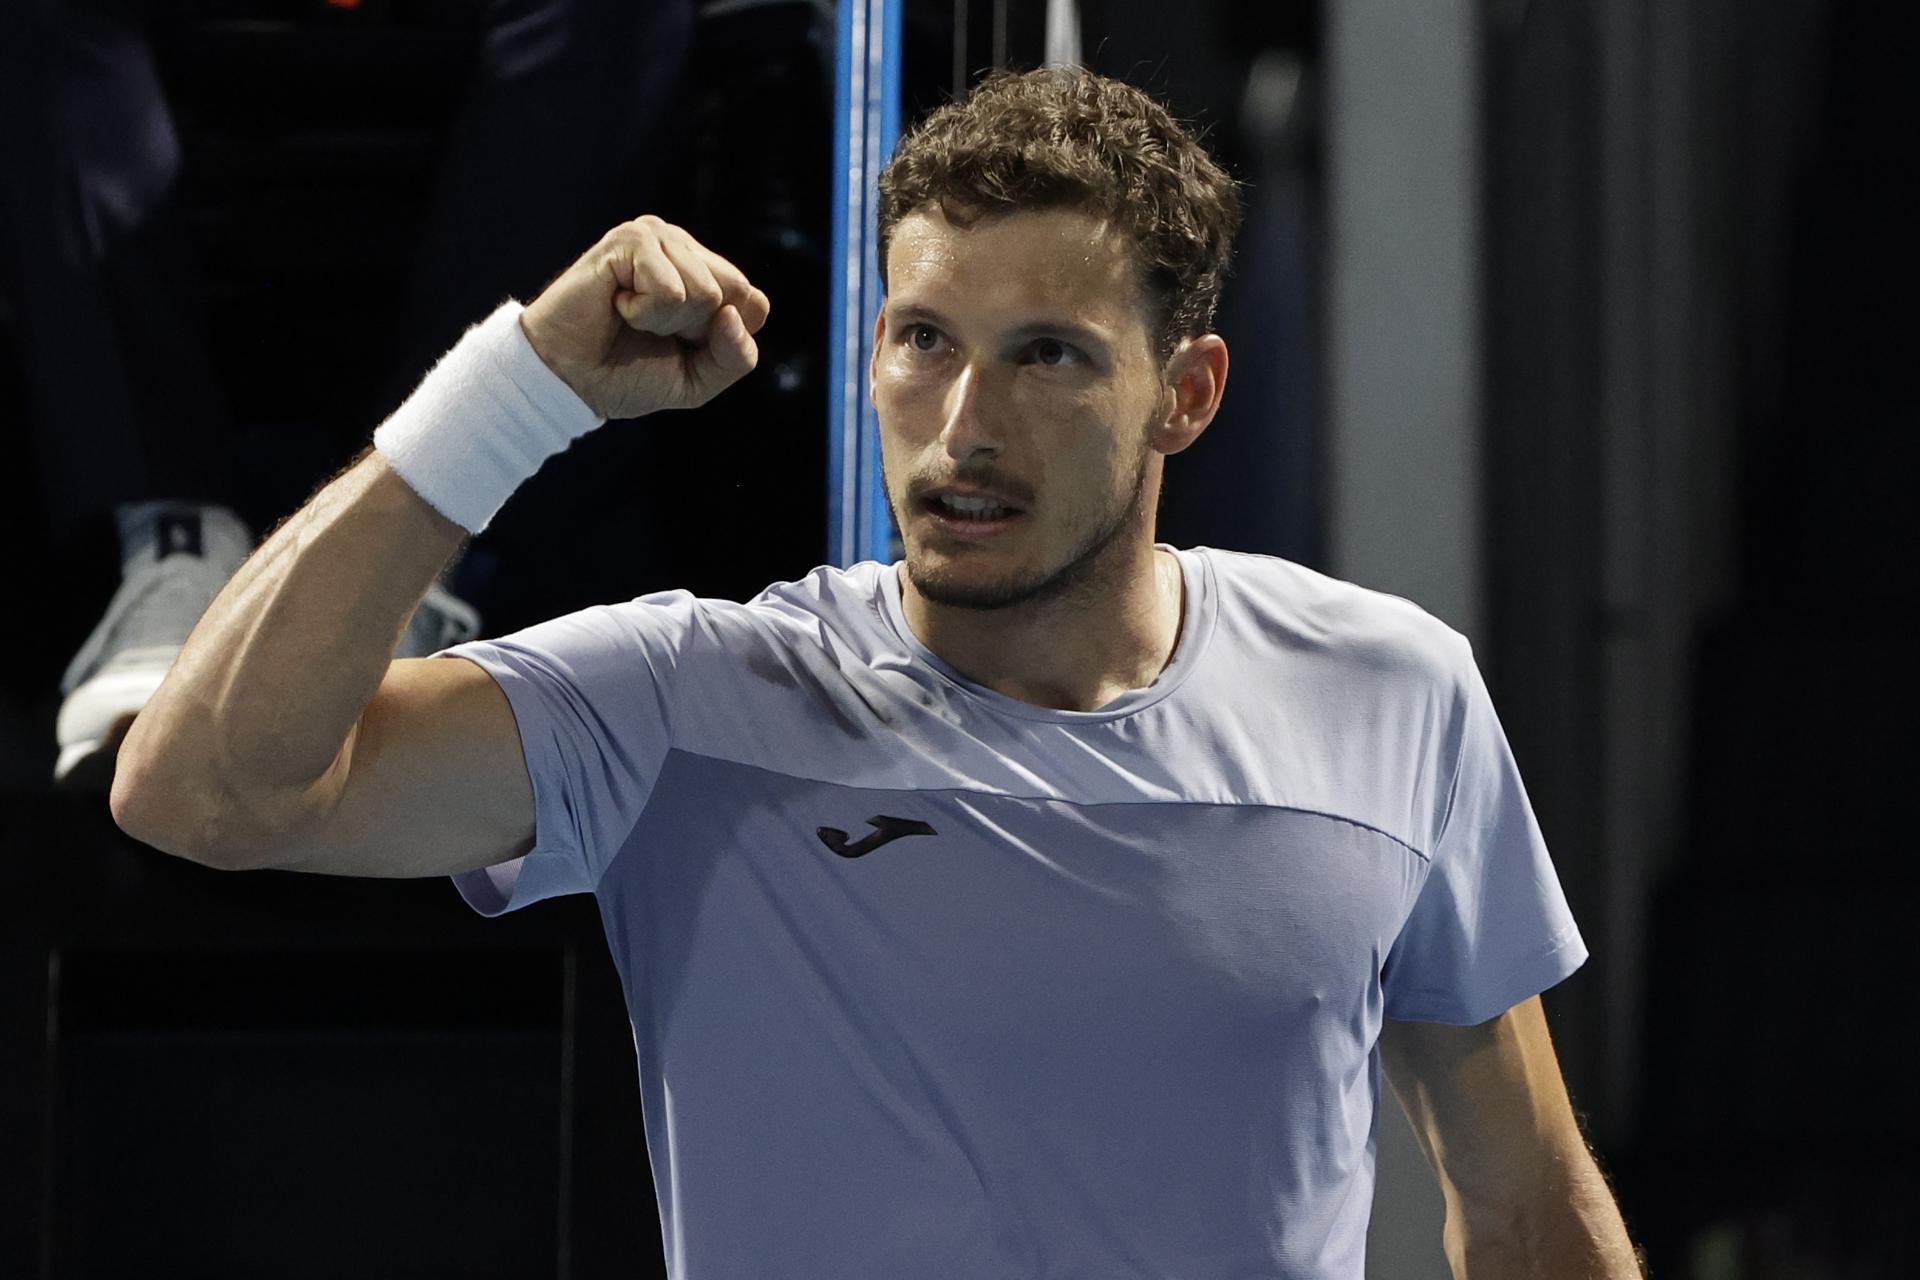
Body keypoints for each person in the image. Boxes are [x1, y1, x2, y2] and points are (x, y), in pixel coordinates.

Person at [109, 65, 1644, 1279]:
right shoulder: (689, 699)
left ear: (1185, 393)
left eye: (1048, 354)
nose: (966, 422)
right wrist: (515, 393)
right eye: (924, 339)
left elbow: (1522, 1213)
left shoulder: (1391, 692)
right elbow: (206, 792)